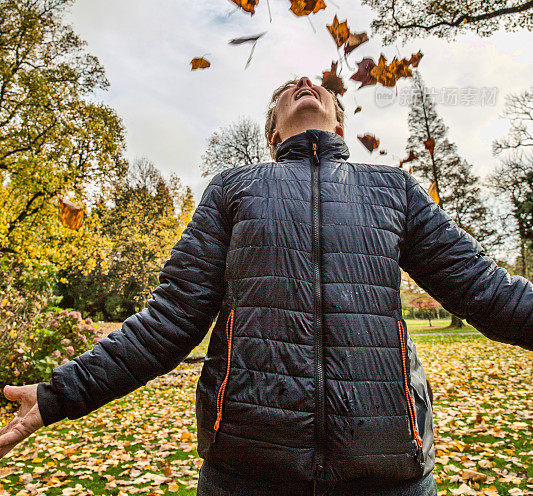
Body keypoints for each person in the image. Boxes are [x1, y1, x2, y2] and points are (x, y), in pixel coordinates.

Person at [1, 76, 532, 496]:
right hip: (248, 473)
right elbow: (170, 318)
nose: (305, 82)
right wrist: (57, 395)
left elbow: (486, 290)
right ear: (273, 133)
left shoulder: (392, 189)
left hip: (388, 469)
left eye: (319, 85)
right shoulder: (235, 188)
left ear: (342, 126)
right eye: (284, 91)